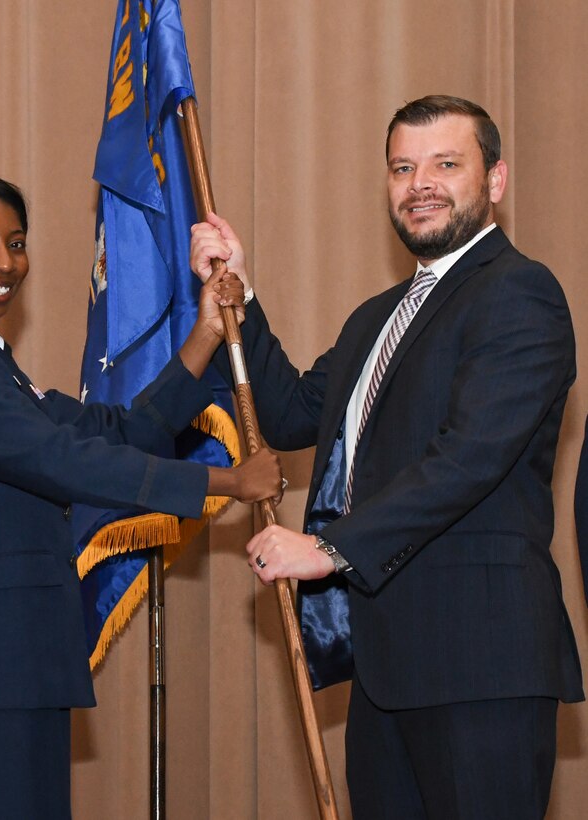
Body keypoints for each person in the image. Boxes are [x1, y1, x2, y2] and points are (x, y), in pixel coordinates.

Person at [190, 96, 584, 820]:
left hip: (480, 666)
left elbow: (464, 459)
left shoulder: (519, 293)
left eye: (444, 164)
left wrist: (327, 548)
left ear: (494, 179)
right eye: (402, 168)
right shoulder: (377, 317)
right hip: (383, 673)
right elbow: (285, 413)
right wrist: (239, 292)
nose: (418, 183)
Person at [0, 171, 282, 820]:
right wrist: (228, 482)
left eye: (16, 243)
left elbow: (117, 431)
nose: (3, 262)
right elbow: (63, 461)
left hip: (14, 654)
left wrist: (207, 333)